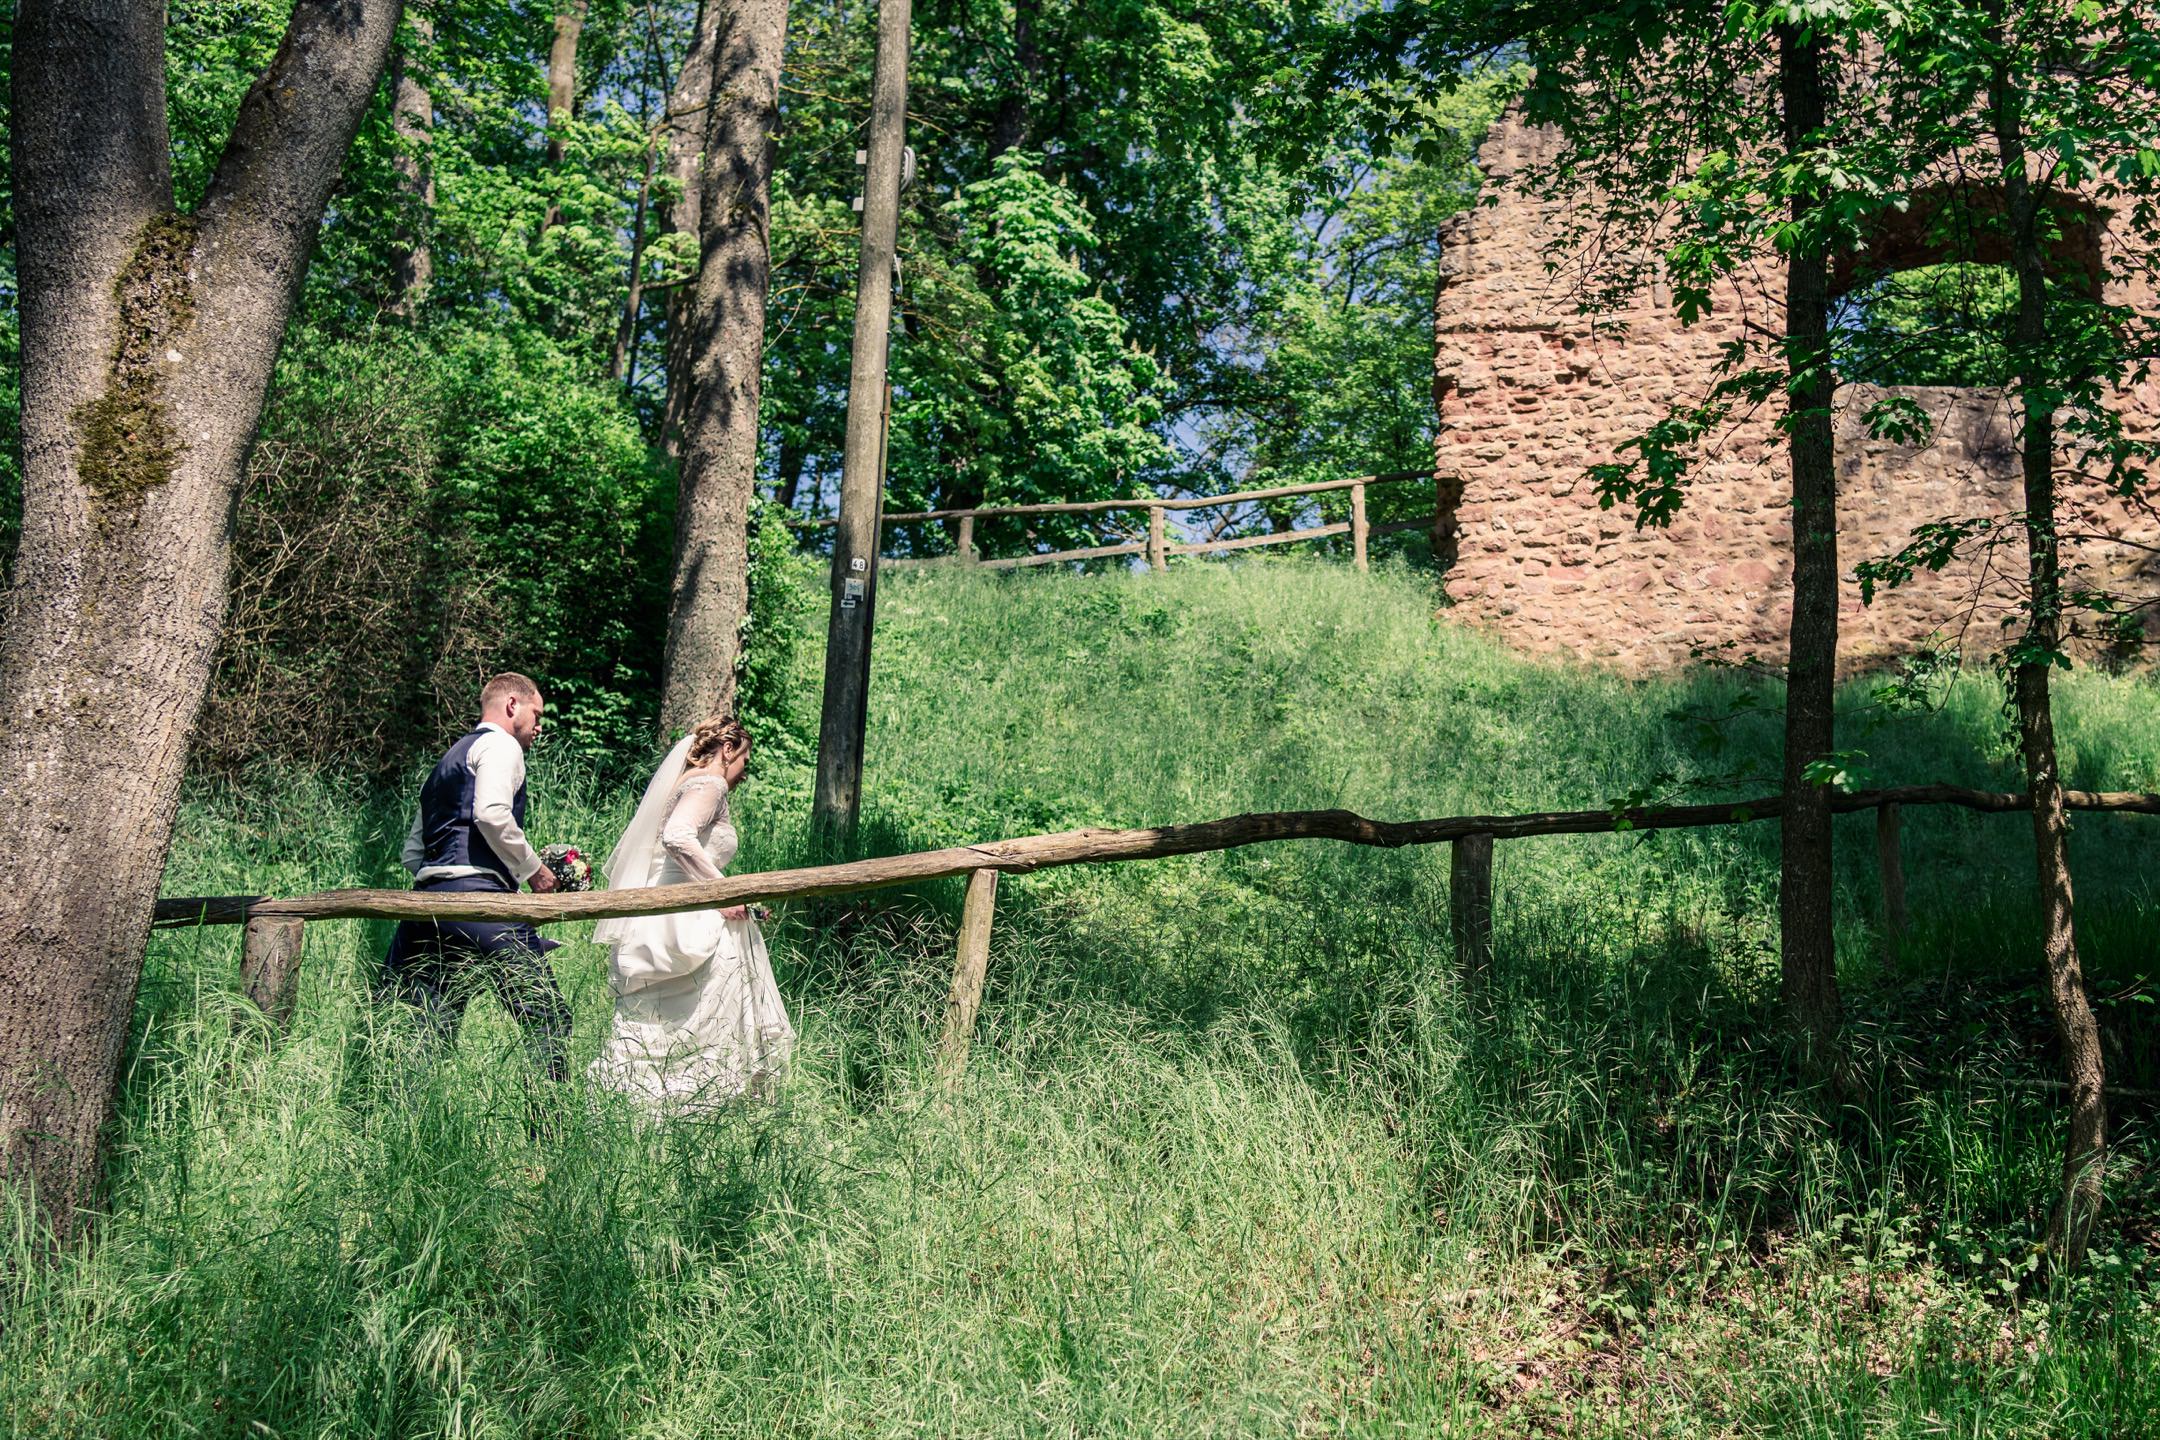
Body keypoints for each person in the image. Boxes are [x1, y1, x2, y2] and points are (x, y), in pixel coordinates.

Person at [588, 715, 794, 1112]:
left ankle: (633, 1103)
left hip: (658, 914)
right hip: (691, 914)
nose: (742, 775)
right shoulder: (710, 782)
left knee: (655, 1021)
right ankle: (702, 1108)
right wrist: (721, 893)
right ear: (728, 749)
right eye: (744, 763)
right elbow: (677, 837)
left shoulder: (682, 783)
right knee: (707, 1018)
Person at [378, 672, 571, 1081]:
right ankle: (548, 1139)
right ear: (512, 706)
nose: (539, 726)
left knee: (424, 1029)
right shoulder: (501, 746)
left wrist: (444, 879)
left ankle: (404, 1130)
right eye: (536, 714)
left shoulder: (446, 762)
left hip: (424, 908)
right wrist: (533, 871)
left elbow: (413, 852)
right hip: (480, 905)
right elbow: (490, 813)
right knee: (549, 1018)